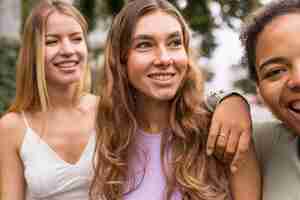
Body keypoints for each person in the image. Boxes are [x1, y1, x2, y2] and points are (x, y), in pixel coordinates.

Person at [90, 0, 260, 199]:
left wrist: (234, 99)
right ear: (121, 59)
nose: (164, 58)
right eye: (145, 45)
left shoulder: (222, 132)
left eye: (174, 43)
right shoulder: (104, 135)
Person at [0, 0, 98, 199]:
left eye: (76, 39)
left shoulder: (108, 110)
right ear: (32, 53)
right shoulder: (12, 127)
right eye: (52, 41)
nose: (69, 50)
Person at [209, 0, 300, 199]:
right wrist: (231, 100)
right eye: (275, 71)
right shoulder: (265, 142)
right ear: (260, 90)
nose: (297, 80)